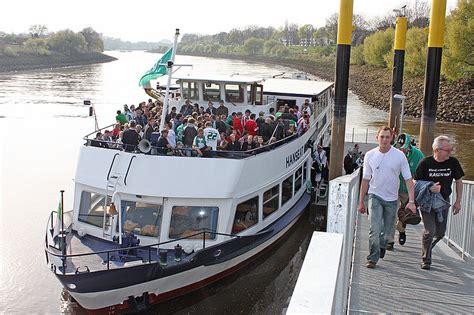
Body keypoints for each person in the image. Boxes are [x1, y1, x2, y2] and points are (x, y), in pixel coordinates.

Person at [358, 126, 416, 269]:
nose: (384, 140)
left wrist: (412, 201)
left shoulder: (399, 156)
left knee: (387, 231)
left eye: (387, 137)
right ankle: (372, 258)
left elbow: (408, 179)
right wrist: (361, 202)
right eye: (382, 136)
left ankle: (383, 245)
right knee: (374, 228)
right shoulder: (370, 155)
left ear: (392, 138)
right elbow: (365, 180)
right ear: (377, 138)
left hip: (391, 199)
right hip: (374, 196)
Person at [414, 135, 464, 270]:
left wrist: (458, 201)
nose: (450, 152)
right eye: (448, 150)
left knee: (440, 233)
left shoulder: (453, 162)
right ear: (437, 150)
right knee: (430, 231)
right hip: (427, 201)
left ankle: (428, 246)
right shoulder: (425, 163)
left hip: (443, 202)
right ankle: (426, 259)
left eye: (450, 150)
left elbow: (459, 181)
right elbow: (415, 182)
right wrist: (429, 188)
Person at [386, 133, 425, 250]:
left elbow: (423, 173)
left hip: (408, 189)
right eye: (399, 148)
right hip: (393, 188)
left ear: (409, 146)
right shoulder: (390, 152)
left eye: (404, 148)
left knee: (405, 214)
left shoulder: (418, 155)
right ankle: (390, 240)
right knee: (391, 214)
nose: (401, 150)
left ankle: (402, 229)